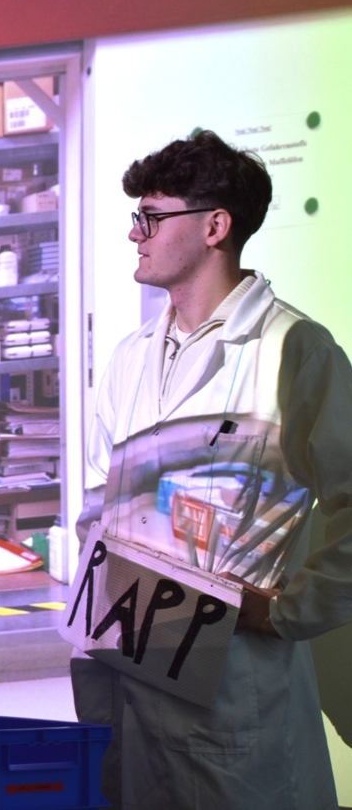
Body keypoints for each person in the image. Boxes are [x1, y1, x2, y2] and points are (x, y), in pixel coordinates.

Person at [70, 130, 351, 810]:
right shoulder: (132, 356)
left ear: (214, 227)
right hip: (126, 675)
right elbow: (96, 508)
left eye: (150, 217)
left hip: (233, 691)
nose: (134, 234)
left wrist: (287, 611)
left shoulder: (293, 350)